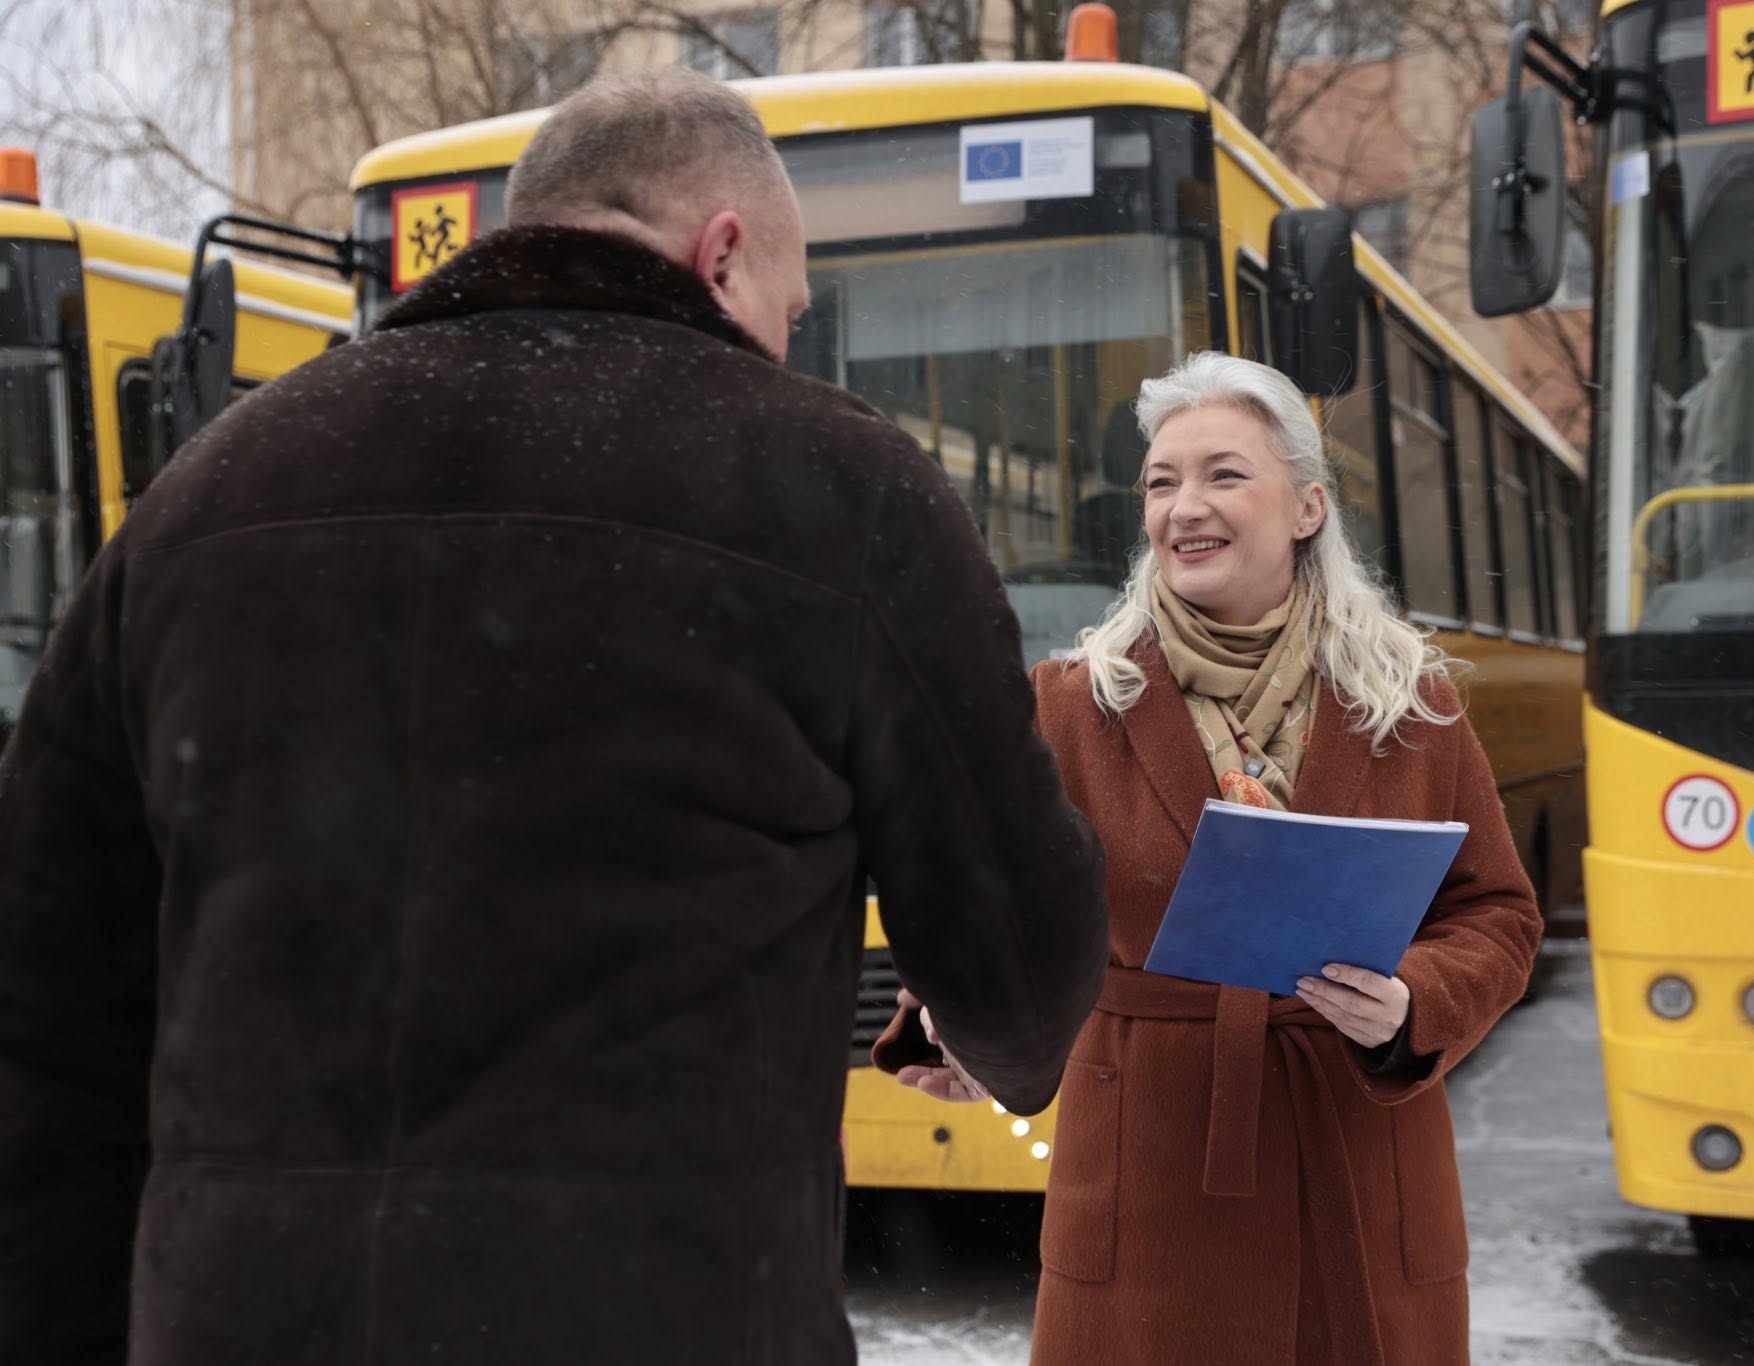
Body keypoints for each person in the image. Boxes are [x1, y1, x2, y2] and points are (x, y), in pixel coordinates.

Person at [0, 70, 1107, 1365]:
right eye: (792, 308)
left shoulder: (212, 490)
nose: (789, 344)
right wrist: (987, 1020)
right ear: (723, 249)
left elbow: (43, 1008)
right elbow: (1021, 961)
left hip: (255, 1314)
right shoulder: (842, 487)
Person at [884, 352, 1541, 1363]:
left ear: (1307, 506)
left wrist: (1413, 1001)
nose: (1181, 505)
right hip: (1148, 1174)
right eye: (1160, 481)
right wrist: (961, 1026)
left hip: (1357, 1171)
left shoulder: (1409, 702)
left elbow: (1497, 915)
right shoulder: (1068, 703)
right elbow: (980, 905)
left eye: (1222, 473)